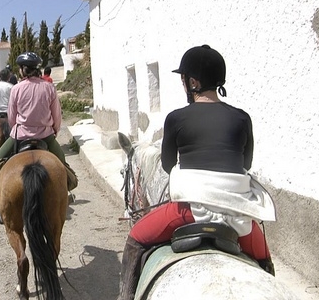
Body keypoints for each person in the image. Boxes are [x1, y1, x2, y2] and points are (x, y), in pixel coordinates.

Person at [117, 45, 276, 300]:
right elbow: (245, 163)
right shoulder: (242, 118)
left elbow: (168, 166)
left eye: (183, 80)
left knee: (135, 238)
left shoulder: (176, 118)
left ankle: (125, 297)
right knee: (265, 261)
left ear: (192, 82)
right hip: (238, 216)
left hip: (188, 210)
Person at [0, 52, 77, 190]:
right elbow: (57, 115)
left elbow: (11, 118)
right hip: (45, 136)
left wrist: (17, 129)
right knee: (63, 166)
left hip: (21, 136)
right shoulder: (49, 88)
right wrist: (54, 131)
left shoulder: (16, 89)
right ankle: (66, 192)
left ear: (22, 69)